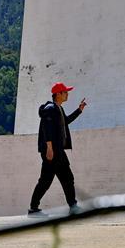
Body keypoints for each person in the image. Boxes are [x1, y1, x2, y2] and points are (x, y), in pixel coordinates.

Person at [28, 82, 87, 216]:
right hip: (52, 151)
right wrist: (49, 148)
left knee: (67, 178)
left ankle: (73, 206)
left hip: (59, 151)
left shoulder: (59, 109)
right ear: (58, 94)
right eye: (65, 92)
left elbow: (66, 121)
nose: (67, 94)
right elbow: (47, 128)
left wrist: (79, 110)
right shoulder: (50, 109)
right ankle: (33, 208)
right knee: (46, 181)